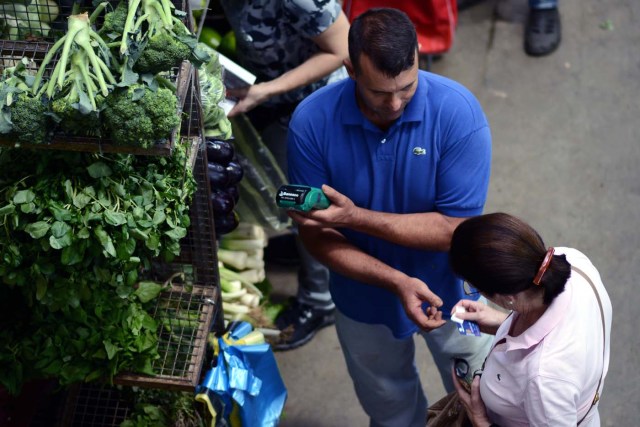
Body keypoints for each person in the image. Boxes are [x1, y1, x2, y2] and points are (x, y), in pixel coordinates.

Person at [286, 8, 494, 426]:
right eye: (381, 93)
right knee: (390, 410)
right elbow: (315, 236)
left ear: (418, 55)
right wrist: (396, 281)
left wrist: (355, 217)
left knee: (485, 399)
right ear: (349, 70)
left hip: (457, 295)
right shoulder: (310, 124)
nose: (396, 103)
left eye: (407, 88)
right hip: (362, 297)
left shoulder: (458, 115)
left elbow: (455, 230)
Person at [218, 0, 350, 350]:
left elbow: (343, 47)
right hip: (273, 99)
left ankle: (319, 302)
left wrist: (265, 90)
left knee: (308, 203)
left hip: (315, 102)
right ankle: (304, 252)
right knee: (290, 197)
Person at [449, 212, 612, 426]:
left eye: (474, 288)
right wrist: (503, 322)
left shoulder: (545, 382)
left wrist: (480, 419)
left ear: (508, 298)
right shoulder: (571, 261)